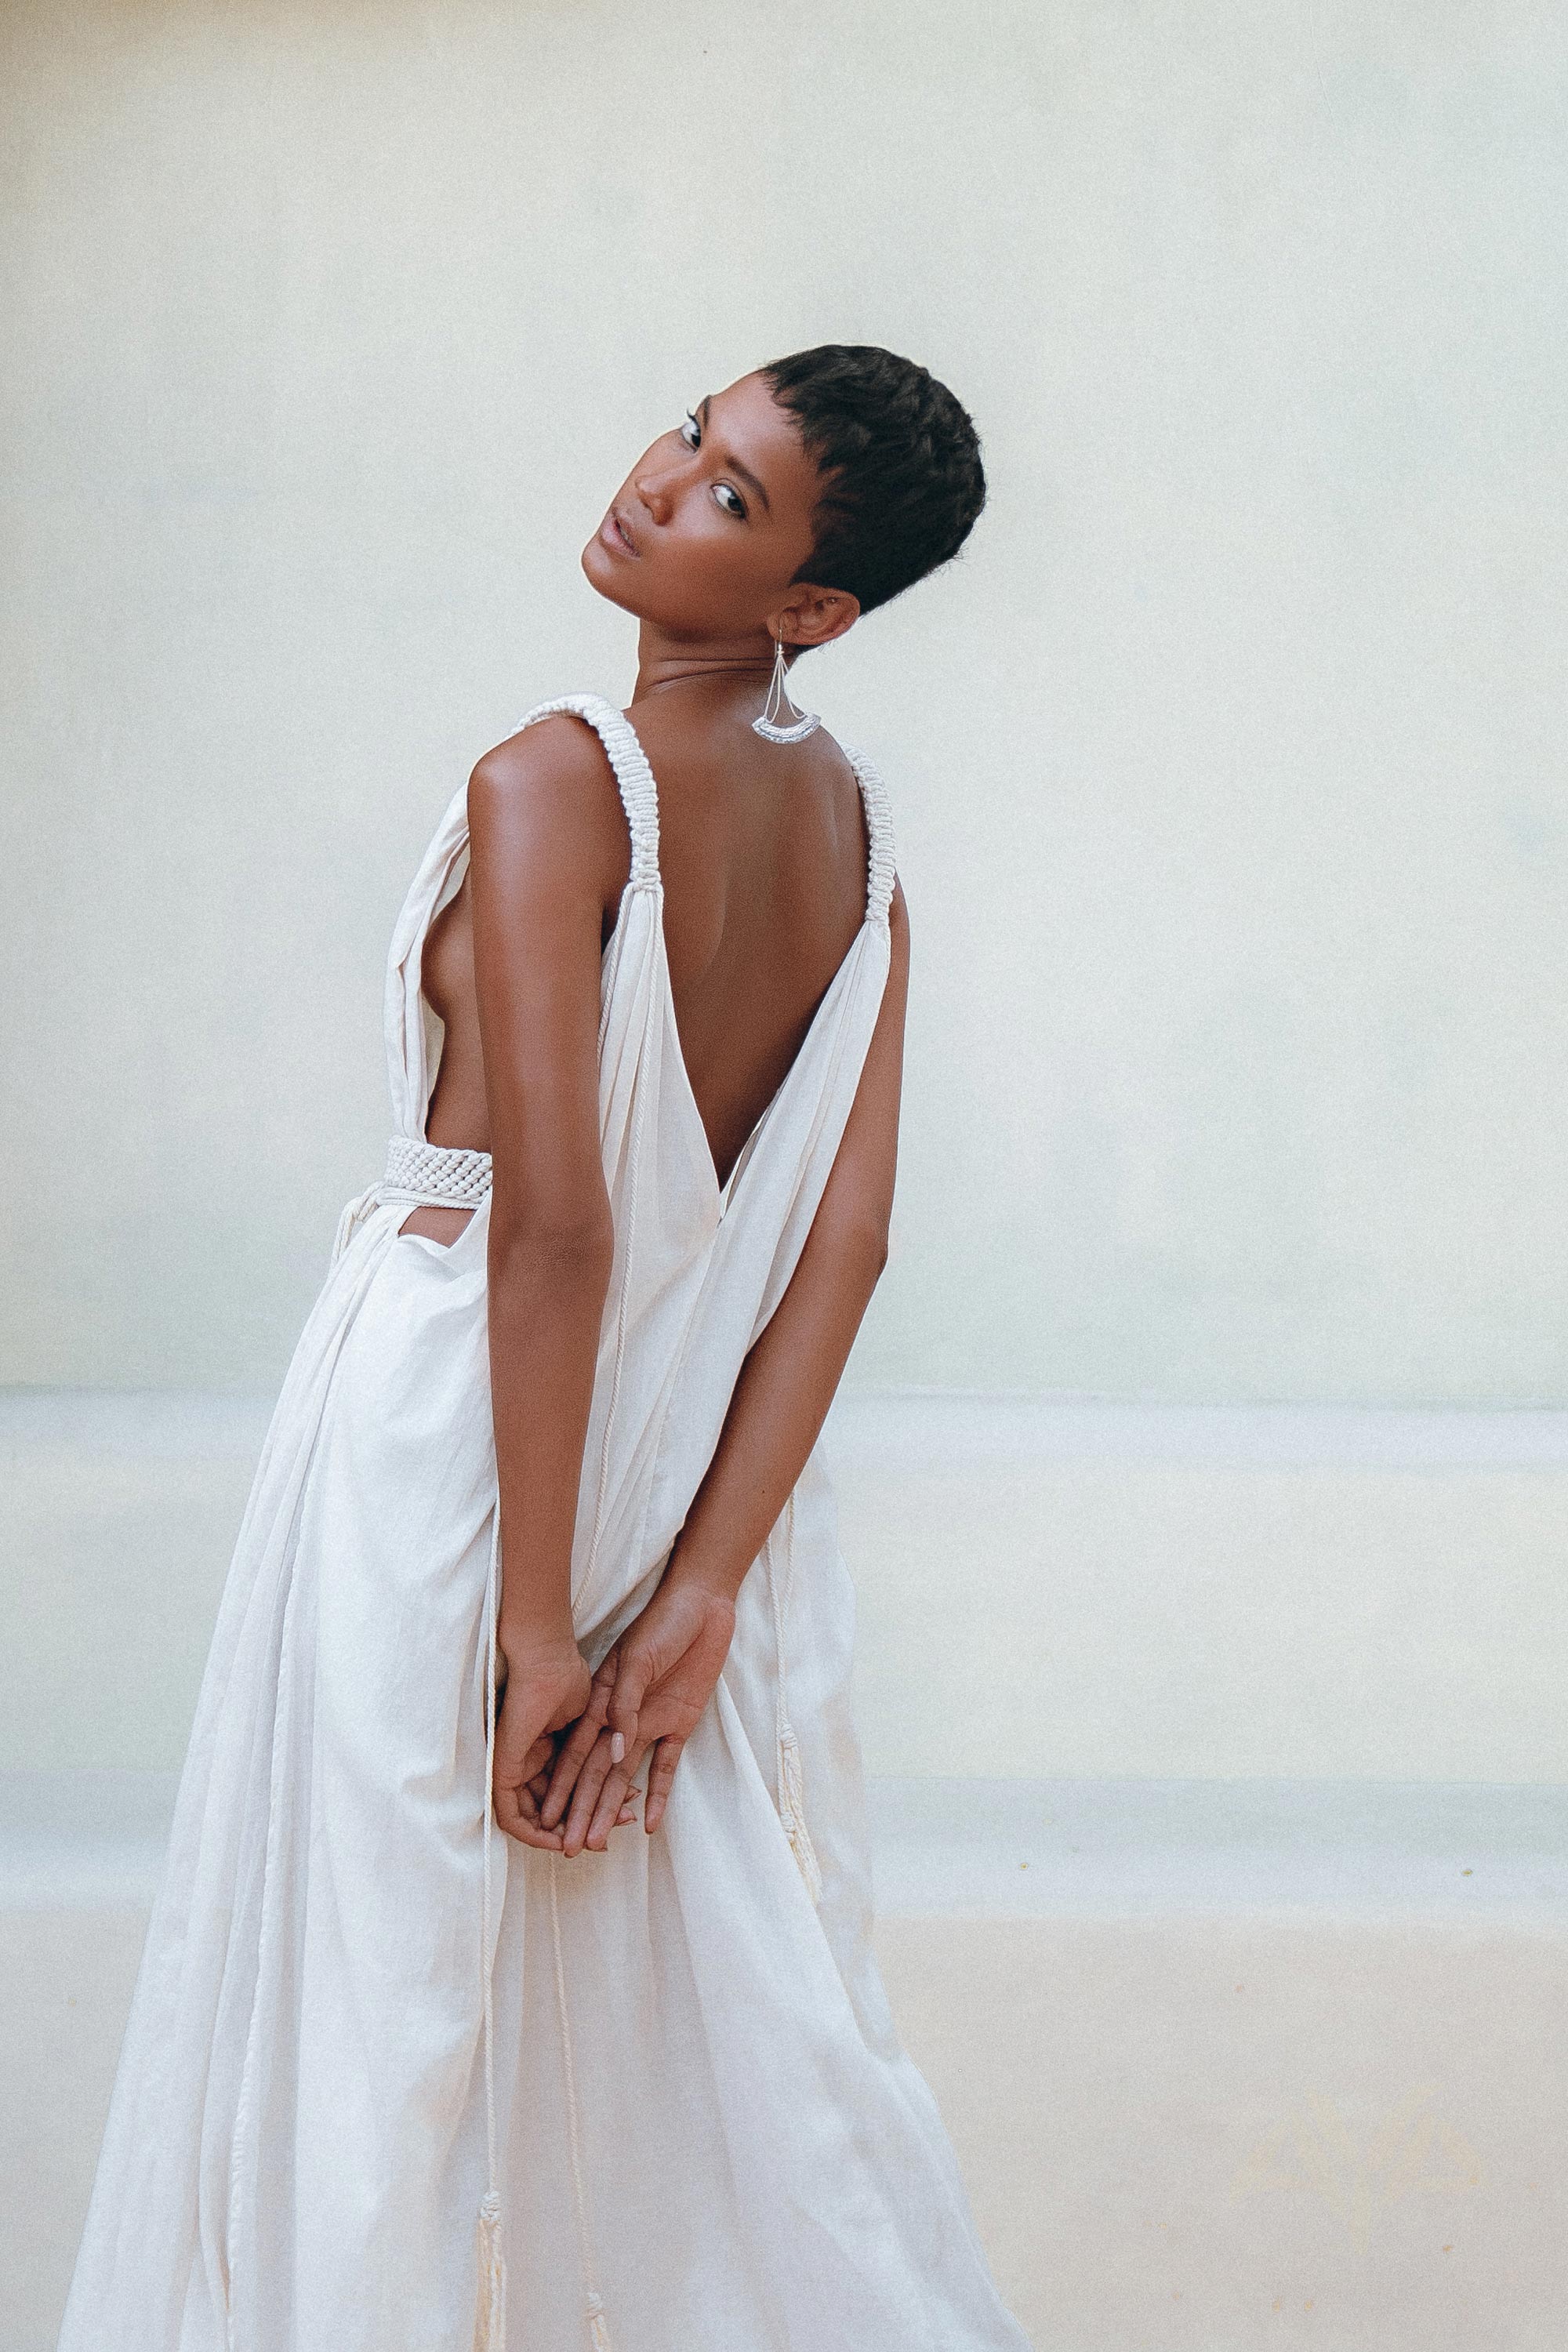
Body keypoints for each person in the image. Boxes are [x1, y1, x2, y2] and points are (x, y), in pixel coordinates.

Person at [57, 344, 1033, 2351]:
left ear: (810, 611)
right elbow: (837, 1250)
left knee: (373, 2008)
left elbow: (559, 1225)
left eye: (734, 501)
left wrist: (532, 1628)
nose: (658, 483)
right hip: (681, 1469)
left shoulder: (553, 776)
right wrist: (691, 1599)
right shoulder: (859, 838)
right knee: (725, 2014)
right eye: (693, 432)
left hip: (451, 1443)